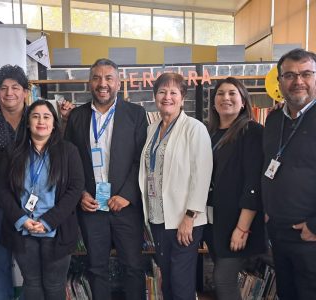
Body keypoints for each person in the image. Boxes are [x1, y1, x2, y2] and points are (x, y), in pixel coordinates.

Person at [64, 58, 148, 300]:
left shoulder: (135, 114)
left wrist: (127, 195)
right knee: (96, 268)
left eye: (108, 78)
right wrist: (80, 193)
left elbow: (140, 159)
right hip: (91, 206)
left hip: (125, 207)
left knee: (133, 267)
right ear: (90, 83)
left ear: (118, 83)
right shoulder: (77, 117)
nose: (103, 84)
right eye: (97, 78)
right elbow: (72, 161)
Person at [0, 100, 84, 299]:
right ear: (28, 122)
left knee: (54, 286)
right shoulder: (12, 152)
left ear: (54, 123)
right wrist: (22, 220)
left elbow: (75, 188)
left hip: (56, 229)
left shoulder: (69, 151)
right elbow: (1, 189)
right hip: (22, 229)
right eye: (35, 116)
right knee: (32, 285)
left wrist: (47, 222)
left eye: (46, 116)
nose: (41, 121)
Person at [138, 72, 212, 300]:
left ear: (182, 98)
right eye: (162, 92)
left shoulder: (194, 128)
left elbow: (202, 174)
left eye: (173, 92)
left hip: (183, 219)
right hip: (159, 219)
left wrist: (189, 217)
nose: (167, 97)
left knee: (181, 284)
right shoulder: (152, 129)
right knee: (167, 281)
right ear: (154, 96)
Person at [204, 77, 266, 300]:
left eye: (232, 93)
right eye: (220, 93)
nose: (225, 98)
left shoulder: (252, 132)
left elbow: (253, 184)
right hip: (214, 223)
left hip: (238, 222)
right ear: (213, 103)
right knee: (222, 280)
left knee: (223, 279)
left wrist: (242, 229)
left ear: (243, 102)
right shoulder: (208, 133)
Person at [262, 48, 316, 300]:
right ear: (280, 81)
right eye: (290, 75)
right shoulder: (274, 121)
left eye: (306, 74)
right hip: (279, 233)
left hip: (310, 237)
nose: (298, 81)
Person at [0, 64, 29, 300]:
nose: (9, 92)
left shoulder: (38, 116)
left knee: (31, 266)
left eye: (15, 87)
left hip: (31, 203)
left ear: (25, 91)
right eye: (3, 88)